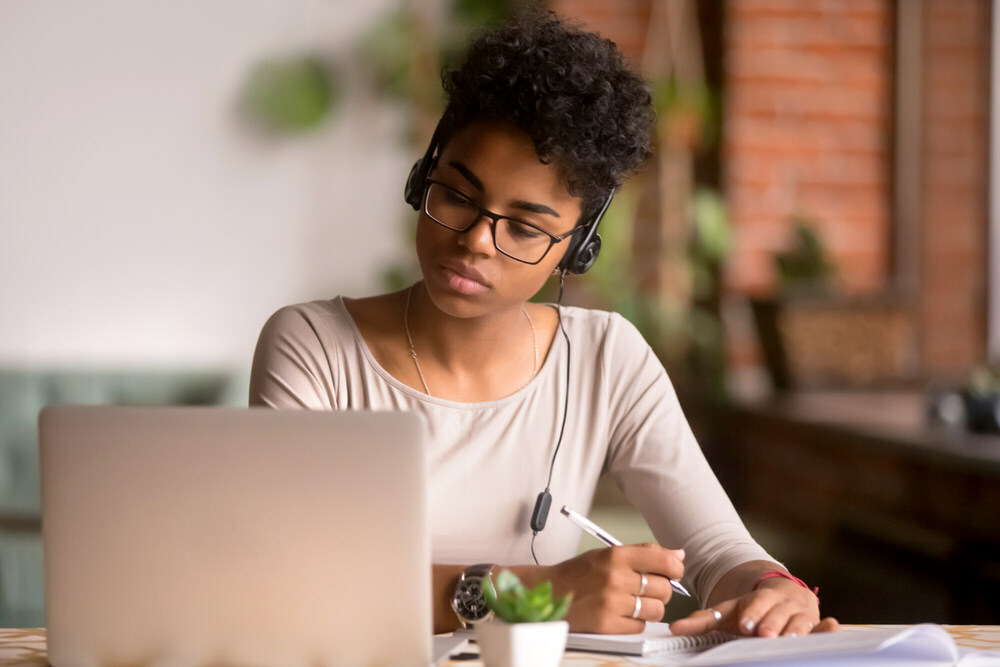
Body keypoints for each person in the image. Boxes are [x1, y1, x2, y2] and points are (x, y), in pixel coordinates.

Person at [250, 10, 839, 638]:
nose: (476, 240)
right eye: (456, 195)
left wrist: (774, 591)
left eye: (525, 228)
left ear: (576, 248)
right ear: (423, 177)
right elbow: (294, 576)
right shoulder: (314, 348)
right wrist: (535, 592)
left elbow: (717, 549)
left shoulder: (606, 357)